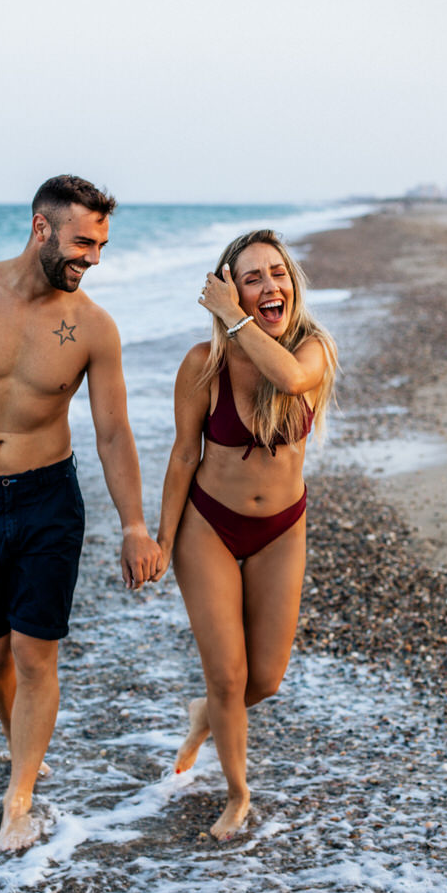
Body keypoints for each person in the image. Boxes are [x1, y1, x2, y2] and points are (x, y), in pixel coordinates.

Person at [0, 175, 162, 852]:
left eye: (102, 244)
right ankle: (19, 739)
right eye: (83, 241)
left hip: (50, 498)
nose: (94, 258)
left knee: (34, 651)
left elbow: (112, 433)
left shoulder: (95, 328)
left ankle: (18, 799)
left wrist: (135, 524)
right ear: (42, 228)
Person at [153, 229, 336, 841]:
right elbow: (183, 458)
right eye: (250, 277)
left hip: (282, 528)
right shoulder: (201, 366)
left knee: (265, 680)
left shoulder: (313, 350)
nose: (268, 286)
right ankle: (236, 795)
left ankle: (207, 716)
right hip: (208, 524)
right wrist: (159, 539)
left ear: (292, 283)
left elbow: (287, 380)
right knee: (229, 676)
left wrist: (234, 315)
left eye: (276, 273)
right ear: (231, 286)